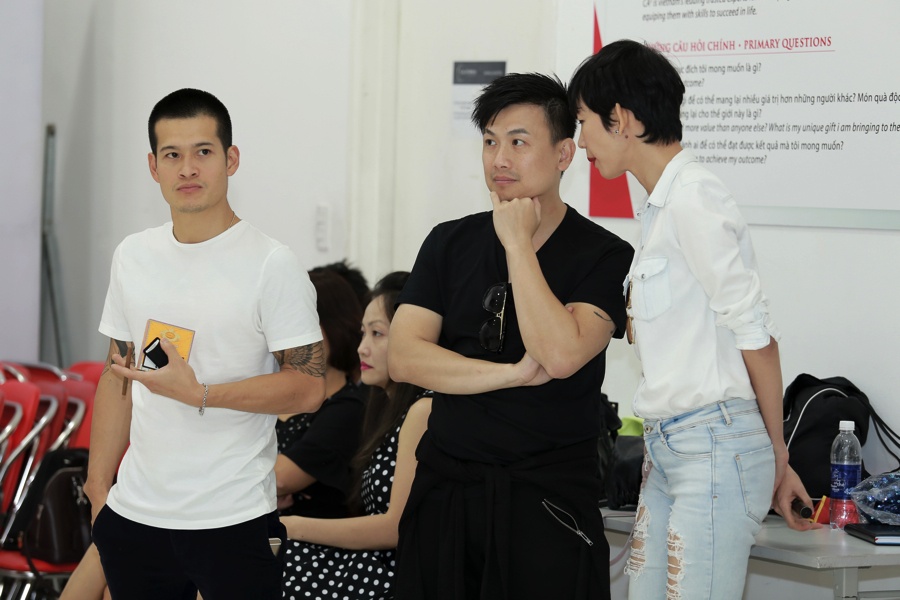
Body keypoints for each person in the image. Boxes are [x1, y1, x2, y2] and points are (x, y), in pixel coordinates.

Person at [567, 40, 818, 600]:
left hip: (715, 446)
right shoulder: (661, 208)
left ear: (621, 119)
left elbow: (756, 335)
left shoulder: (695, 198)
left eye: (584, 122)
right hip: (669, 447)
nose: (581, 141)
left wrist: (777, 453)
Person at [388, 73, 634, 599]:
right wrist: (511, 374)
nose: (499, 159)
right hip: (446, 496)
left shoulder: (605, 254)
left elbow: (561, 356)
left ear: (564, 153)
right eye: (489, 142)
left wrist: (518, 245)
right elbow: (404, 357)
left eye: (518, 142)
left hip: (545, 505)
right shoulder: (448, 241)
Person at [84, 88, 326, 600]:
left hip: (233, 516)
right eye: (172, 155)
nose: (188, 168)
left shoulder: (271, 264)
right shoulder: (132, 255)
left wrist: (201, 394)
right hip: (135, 515)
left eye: (203, 152)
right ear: (153, 166)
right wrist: (98, 487)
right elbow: (117, 373)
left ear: (231, 159)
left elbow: (308, 388)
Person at [280, 271, 432, 600]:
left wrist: (291, 526)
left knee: (258, 566)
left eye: (377, 334)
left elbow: (394, 527)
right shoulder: (384, 412)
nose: (362, 348)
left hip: (396, 572)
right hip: (375, 563)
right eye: (364, 334)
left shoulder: (421, 410)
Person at [275, 269, 368, 518]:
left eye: (303, 324)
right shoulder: (272, 392)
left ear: (336, 325)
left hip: (310, 540)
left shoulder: (349, 407)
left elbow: (280, 479)